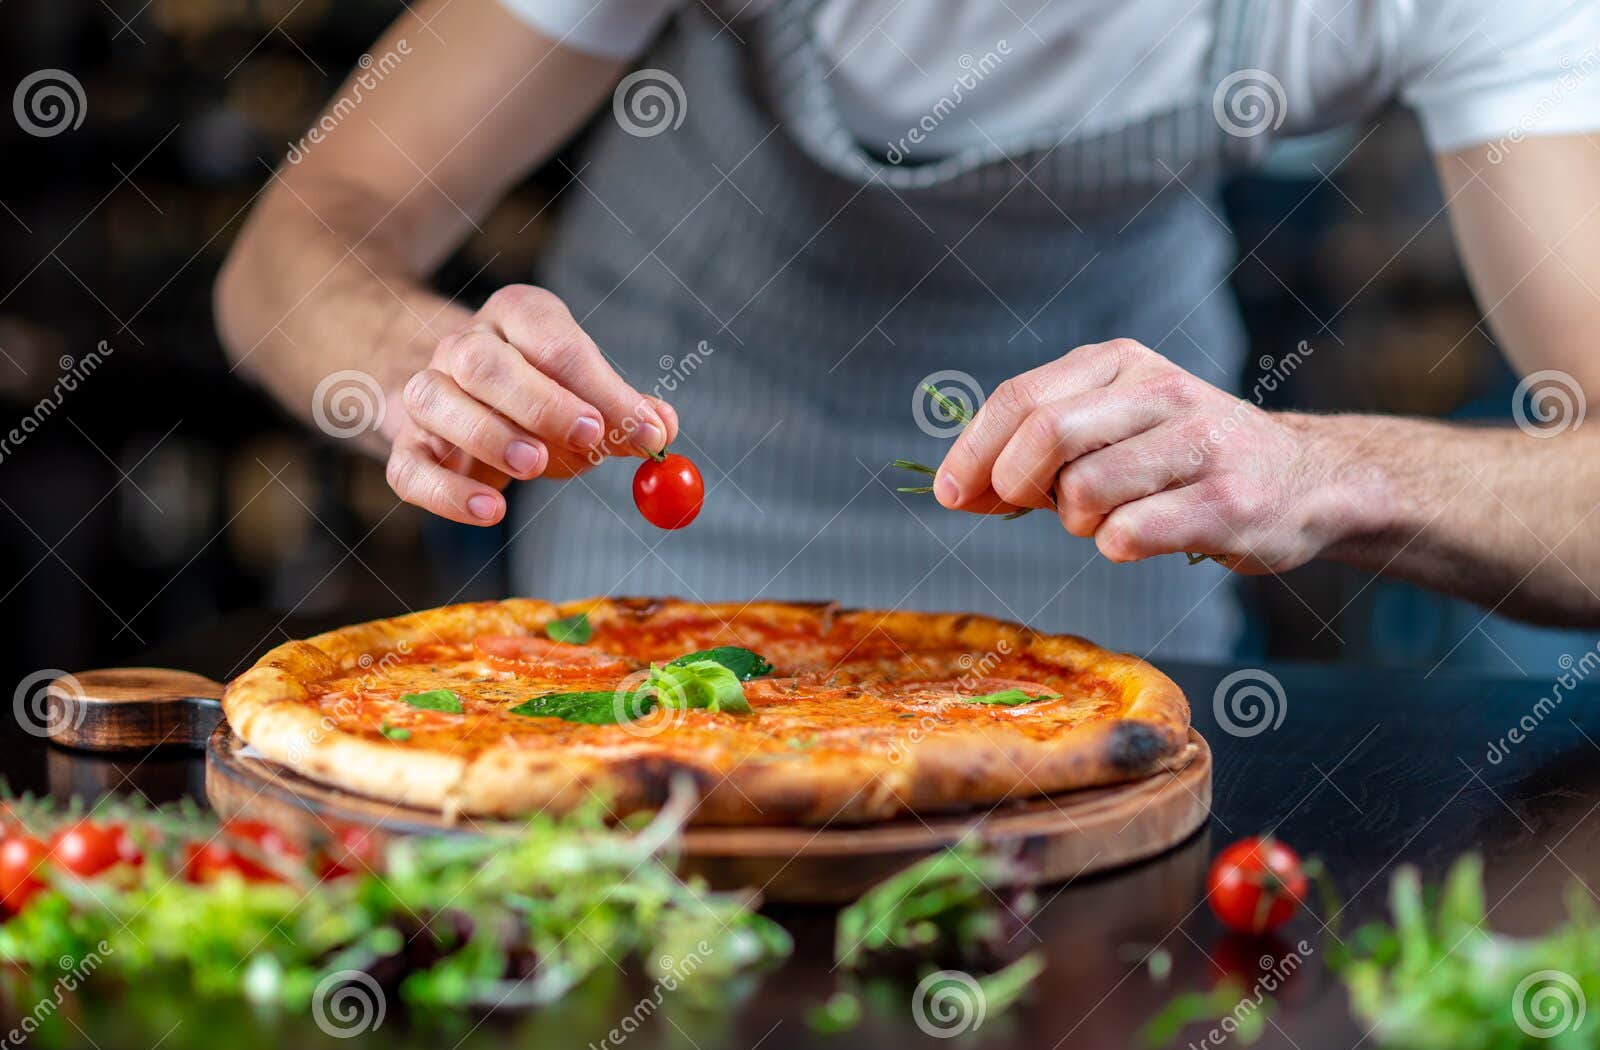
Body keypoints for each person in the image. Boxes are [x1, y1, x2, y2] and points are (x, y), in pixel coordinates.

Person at [215, 0, 1600, 660]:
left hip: (1095, 560)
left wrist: (1322, 471)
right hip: (672, 525)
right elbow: (297, 246)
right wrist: (414, 369)